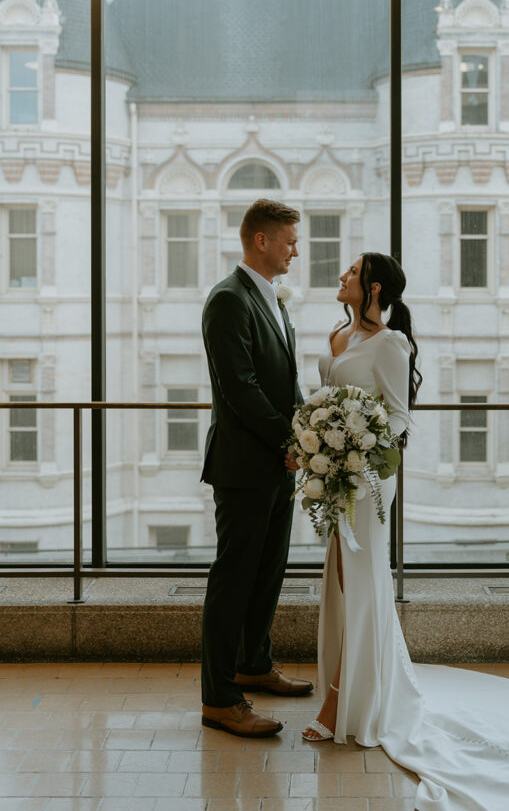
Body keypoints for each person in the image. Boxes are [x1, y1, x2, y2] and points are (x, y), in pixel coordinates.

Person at [302, 252, 509, 810]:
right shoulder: (335, 336)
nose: (341, 277)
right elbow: (322, 402)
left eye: (351, 272)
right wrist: (317, 442)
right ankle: (344, 693)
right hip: (333, 476)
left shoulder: (391, 345)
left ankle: (343, 706)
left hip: (369, 479)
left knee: (364, 586)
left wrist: (354, 451)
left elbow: (398, 419)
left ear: (373, 287)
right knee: (341, 584)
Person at [200, 198, 313, 739]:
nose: (296, 249)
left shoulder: (273, 299)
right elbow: (238, 387)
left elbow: (284, 379)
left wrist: (302, 438)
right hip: (244, 465)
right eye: (289, 240)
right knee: (234, 578)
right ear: (261, 241)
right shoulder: (227, 300)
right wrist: (287, 439)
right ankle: (221, 698)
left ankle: (253, 664)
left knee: (268, 572)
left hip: (278, 461)